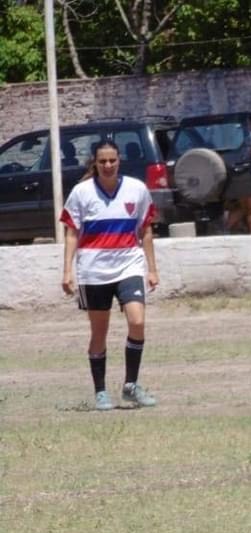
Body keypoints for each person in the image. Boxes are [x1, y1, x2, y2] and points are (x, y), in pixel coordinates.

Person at [60, 139, 159, 411]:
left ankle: (131, 385)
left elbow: (146, 230)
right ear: (95, 162)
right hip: (94, 271)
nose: (107, 165)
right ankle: (101, 391)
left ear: (119, 161)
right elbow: (71, 233)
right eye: (102, 161)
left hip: (129, 264)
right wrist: (67, 270)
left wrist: (152, 269)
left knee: (137, 322)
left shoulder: (136, 189)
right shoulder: (81, 193)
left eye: (112, 160)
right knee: (99, 333)